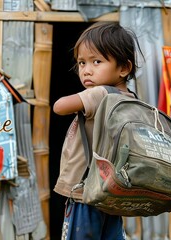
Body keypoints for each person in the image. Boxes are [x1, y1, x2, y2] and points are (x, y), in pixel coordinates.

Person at [53, 22, 144, 240]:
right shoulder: (131, 99)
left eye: (96, 61)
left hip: (85, 192)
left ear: (124, 68)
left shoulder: (100, 94)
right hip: (111, 193)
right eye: (81, 63)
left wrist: (84, 96)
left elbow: (58, 106)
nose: (86, 70)